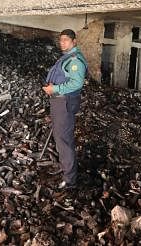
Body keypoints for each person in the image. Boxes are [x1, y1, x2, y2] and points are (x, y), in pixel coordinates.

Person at [42, 29, 88, 189]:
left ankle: (69, 180)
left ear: (74, 41)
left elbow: (77, 83)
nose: (62, 43)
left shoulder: (75, 60)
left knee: (63, 140)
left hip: (64, 102)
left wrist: (54, 89)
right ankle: (66, 169)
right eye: (61, 40)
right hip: (59, 102)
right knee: (60, 137)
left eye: (66, 40)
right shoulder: (67, 57)